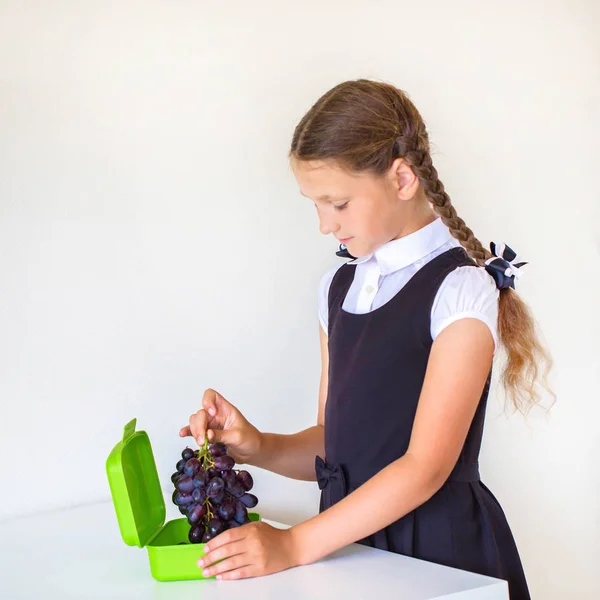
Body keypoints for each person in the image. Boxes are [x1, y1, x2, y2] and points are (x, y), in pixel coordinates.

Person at [179, 79, 553, 598]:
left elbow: (426, 467)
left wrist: (293, 546)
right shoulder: (338, 288)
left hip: (439, 559)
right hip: (350, 552)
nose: (324, 225)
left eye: (337, 203)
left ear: (402, 178)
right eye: (314, 205)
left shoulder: (460, 290)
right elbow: (336, 445)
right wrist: (258, 446)